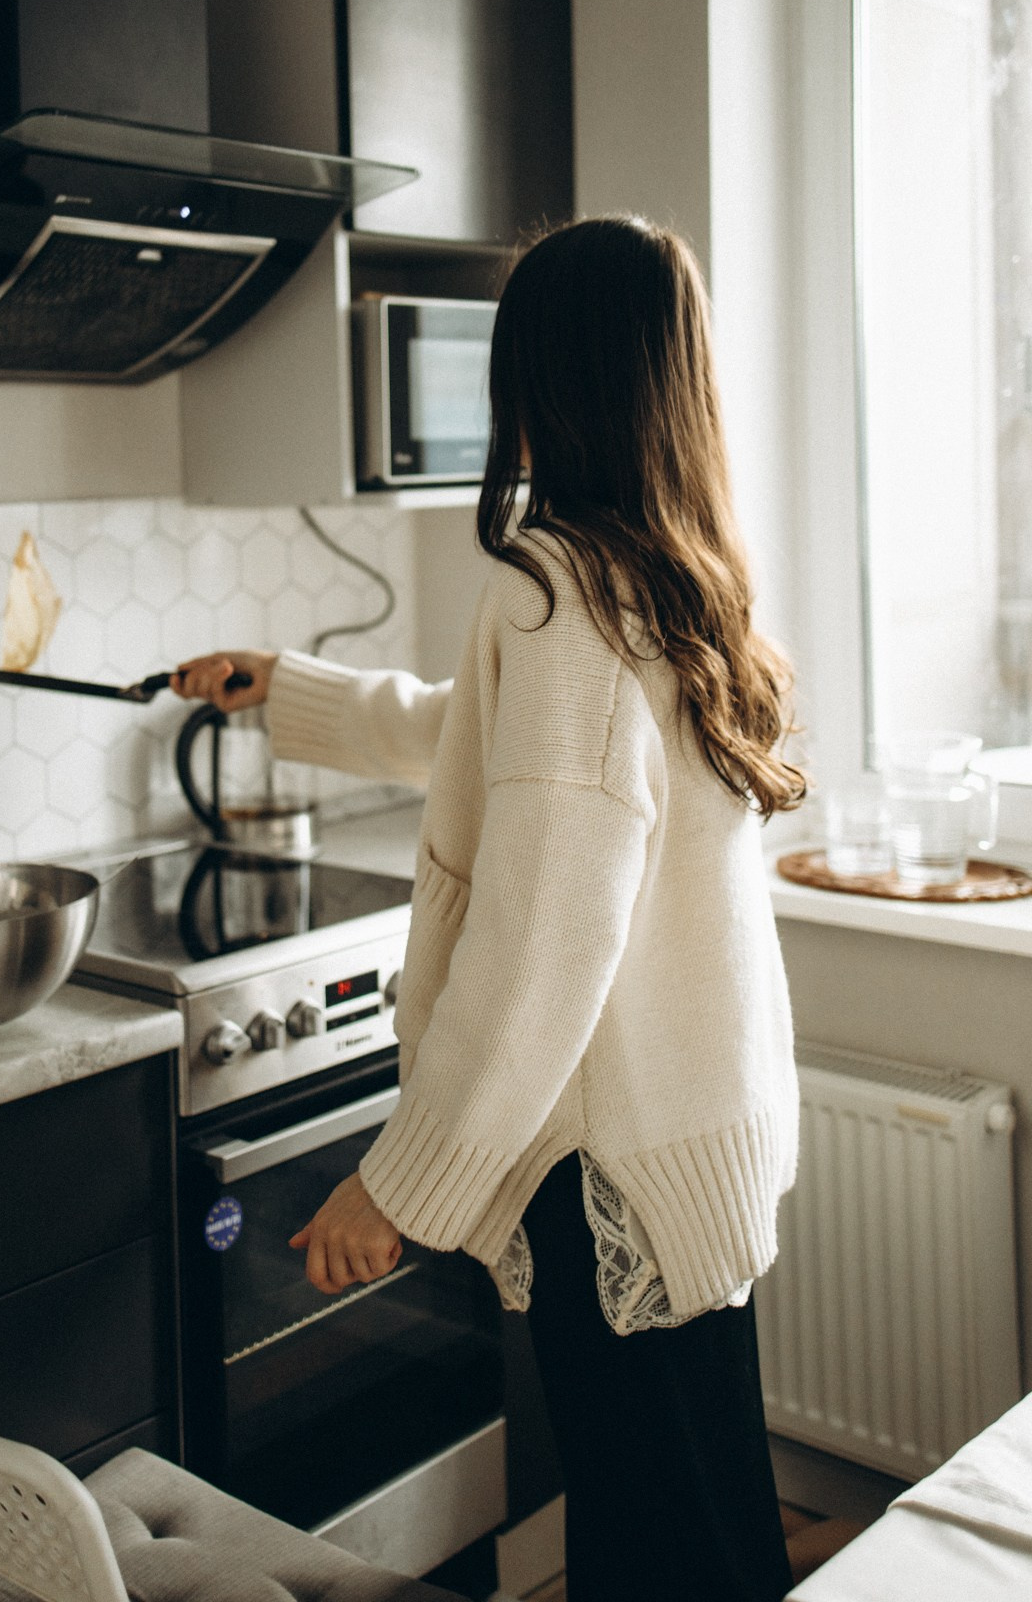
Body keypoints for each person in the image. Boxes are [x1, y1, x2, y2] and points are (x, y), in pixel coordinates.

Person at [173, 216, 806, 1602]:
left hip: (614, 1165)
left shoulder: (563, 595)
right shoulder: (667, 573)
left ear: (544, 379)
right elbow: (502, 746)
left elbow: (537, 961)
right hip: (696, 1133)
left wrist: (397, 1184)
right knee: (705, 1521)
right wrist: (288, 690)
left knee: (656, 1547)